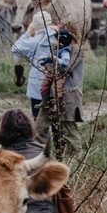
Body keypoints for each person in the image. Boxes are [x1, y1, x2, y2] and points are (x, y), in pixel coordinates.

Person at [35, 28, 84, 157]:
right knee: (39, 127)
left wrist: (49, 63)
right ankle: (39, 157)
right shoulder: (58, 49)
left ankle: (76, 161)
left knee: (69, 131)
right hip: (52, 96)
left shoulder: (77, 50)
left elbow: (64, 68)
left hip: (68, 96)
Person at [11, 10, 58, 118]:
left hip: (37, 85)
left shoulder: (33, 42)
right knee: (55, 118)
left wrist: (28, 33)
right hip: (56, 83)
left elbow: (14, 49)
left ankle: (39, 128)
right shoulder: (57, 38)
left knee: (37, 117)